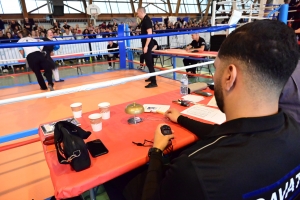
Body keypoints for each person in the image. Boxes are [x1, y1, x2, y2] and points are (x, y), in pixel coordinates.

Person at [104, 20, 300, 200]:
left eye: (216, 69)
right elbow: (227, 134)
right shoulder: (294, 131)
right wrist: (181, 118)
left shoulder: (195, 170)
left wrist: (155, 153)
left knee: (116, 181)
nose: (214, 78)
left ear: (229, 76)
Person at [137, 7, 157, 88]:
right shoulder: (144, 20)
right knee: (148, 61)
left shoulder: (147, 20)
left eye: (138, 13)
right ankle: (152, 77)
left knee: (149, 62)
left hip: (148, 44)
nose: (137, 15)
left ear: (141, 12)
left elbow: (150, 34)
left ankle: (154, 82)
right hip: (145, 43)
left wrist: (146, 46)